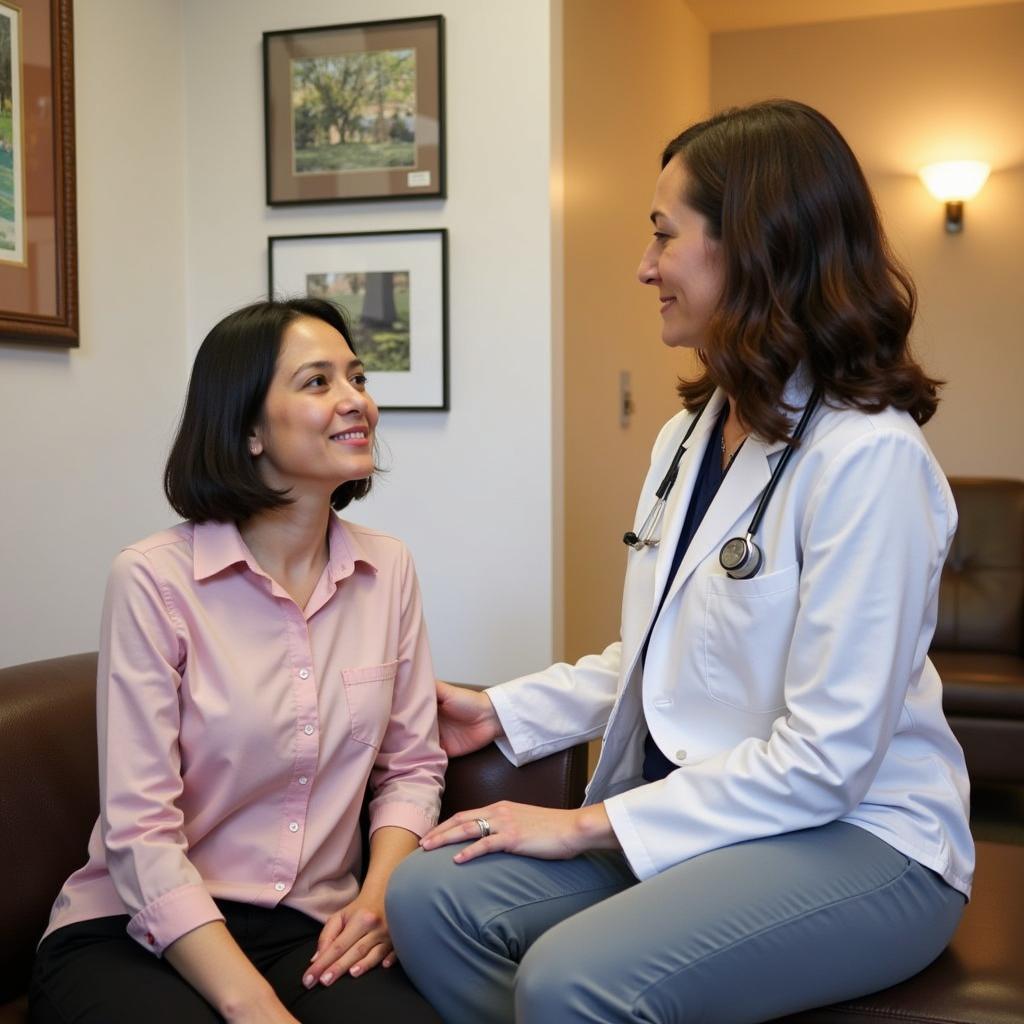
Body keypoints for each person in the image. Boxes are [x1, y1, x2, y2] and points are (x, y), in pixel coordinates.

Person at [386, 100, 974, 1024]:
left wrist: (584, 822)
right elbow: (664, 656)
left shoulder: (870, 458)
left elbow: (828, 759)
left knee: (574, 977)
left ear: (754, 247)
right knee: (427, 899)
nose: (644, 266)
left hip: (863, 838)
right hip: (707, 816)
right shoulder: (687, 438)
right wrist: (499, 711)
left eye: (664, 236)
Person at [29, 298, 446, 1024]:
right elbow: (140, 832)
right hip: (138, 931)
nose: (356, 402)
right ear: (248, 428)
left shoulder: (390, 568)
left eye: (357, 377)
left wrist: (379, 896)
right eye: (317, 383)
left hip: (312, 929)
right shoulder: (153, 579)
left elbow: (412, 765)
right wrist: (252, 1004)